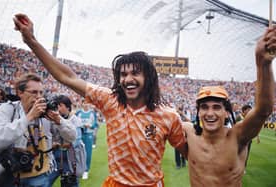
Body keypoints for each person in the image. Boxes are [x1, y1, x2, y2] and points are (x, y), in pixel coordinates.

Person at [14, 14, 186, 187]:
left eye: (135, 73)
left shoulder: (168, 116)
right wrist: (31, 40)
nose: (128, 79)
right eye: (123, 74)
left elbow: (191, 155)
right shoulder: (110, 100)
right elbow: (67, 77)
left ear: (148, 77)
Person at [181, 25, 276, 187]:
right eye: (204, 107)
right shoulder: (187, 132)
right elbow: (156, 121)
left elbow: (263, 110)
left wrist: (263, 64)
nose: (210, 113)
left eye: (217, 107)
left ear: (226, 113)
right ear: (198, 112)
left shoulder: (238, 136)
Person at [0, 73, 76, 187]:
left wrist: (59, 121)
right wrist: (29, 117)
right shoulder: (7, 109)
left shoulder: (46, 114)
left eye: (41, 92)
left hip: (40, 176)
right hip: (9, 177)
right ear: (20, 92)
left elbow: (72, 136)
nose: (39, 96)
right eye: (34, 92)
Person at [49, 95, 86, 187]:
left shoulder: (76, 120)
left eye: (60, 105)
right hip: (54, 158)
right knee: (44, 182)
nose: (58, 108)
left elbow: (75, 142)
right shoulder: (52, 119)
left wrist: (57, 144)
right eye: (56, 106)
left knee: (70, 183)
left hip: (70, 159)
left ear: (68, 107)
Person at [75, 101, 97, 180]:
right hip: (79, 135)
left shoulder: (92, 113)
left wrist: (90, 125)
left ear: (89, 104)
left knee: (88, 153)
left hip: (88, 135)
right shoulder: (78, 113)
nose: (86, 104)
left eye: (87, 103)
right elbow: (74, 122)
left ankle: (86, 171)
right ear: (82, 104)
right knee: (78, 152)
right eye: (84, 103)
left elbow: (95, 124)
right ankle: (78, 169)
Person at [236, 104, 260, 171]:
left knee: (246, 154)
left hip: (248, 140)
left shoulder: (251, 119)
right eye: (248, 110)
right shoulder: (239, 117)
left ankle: (243, 168)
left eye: (250, 110)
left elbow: (254, 127)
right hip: (239, 139)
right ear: (244, 110)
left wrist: (257, 137)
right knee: (237, 153)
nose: (250, 111)